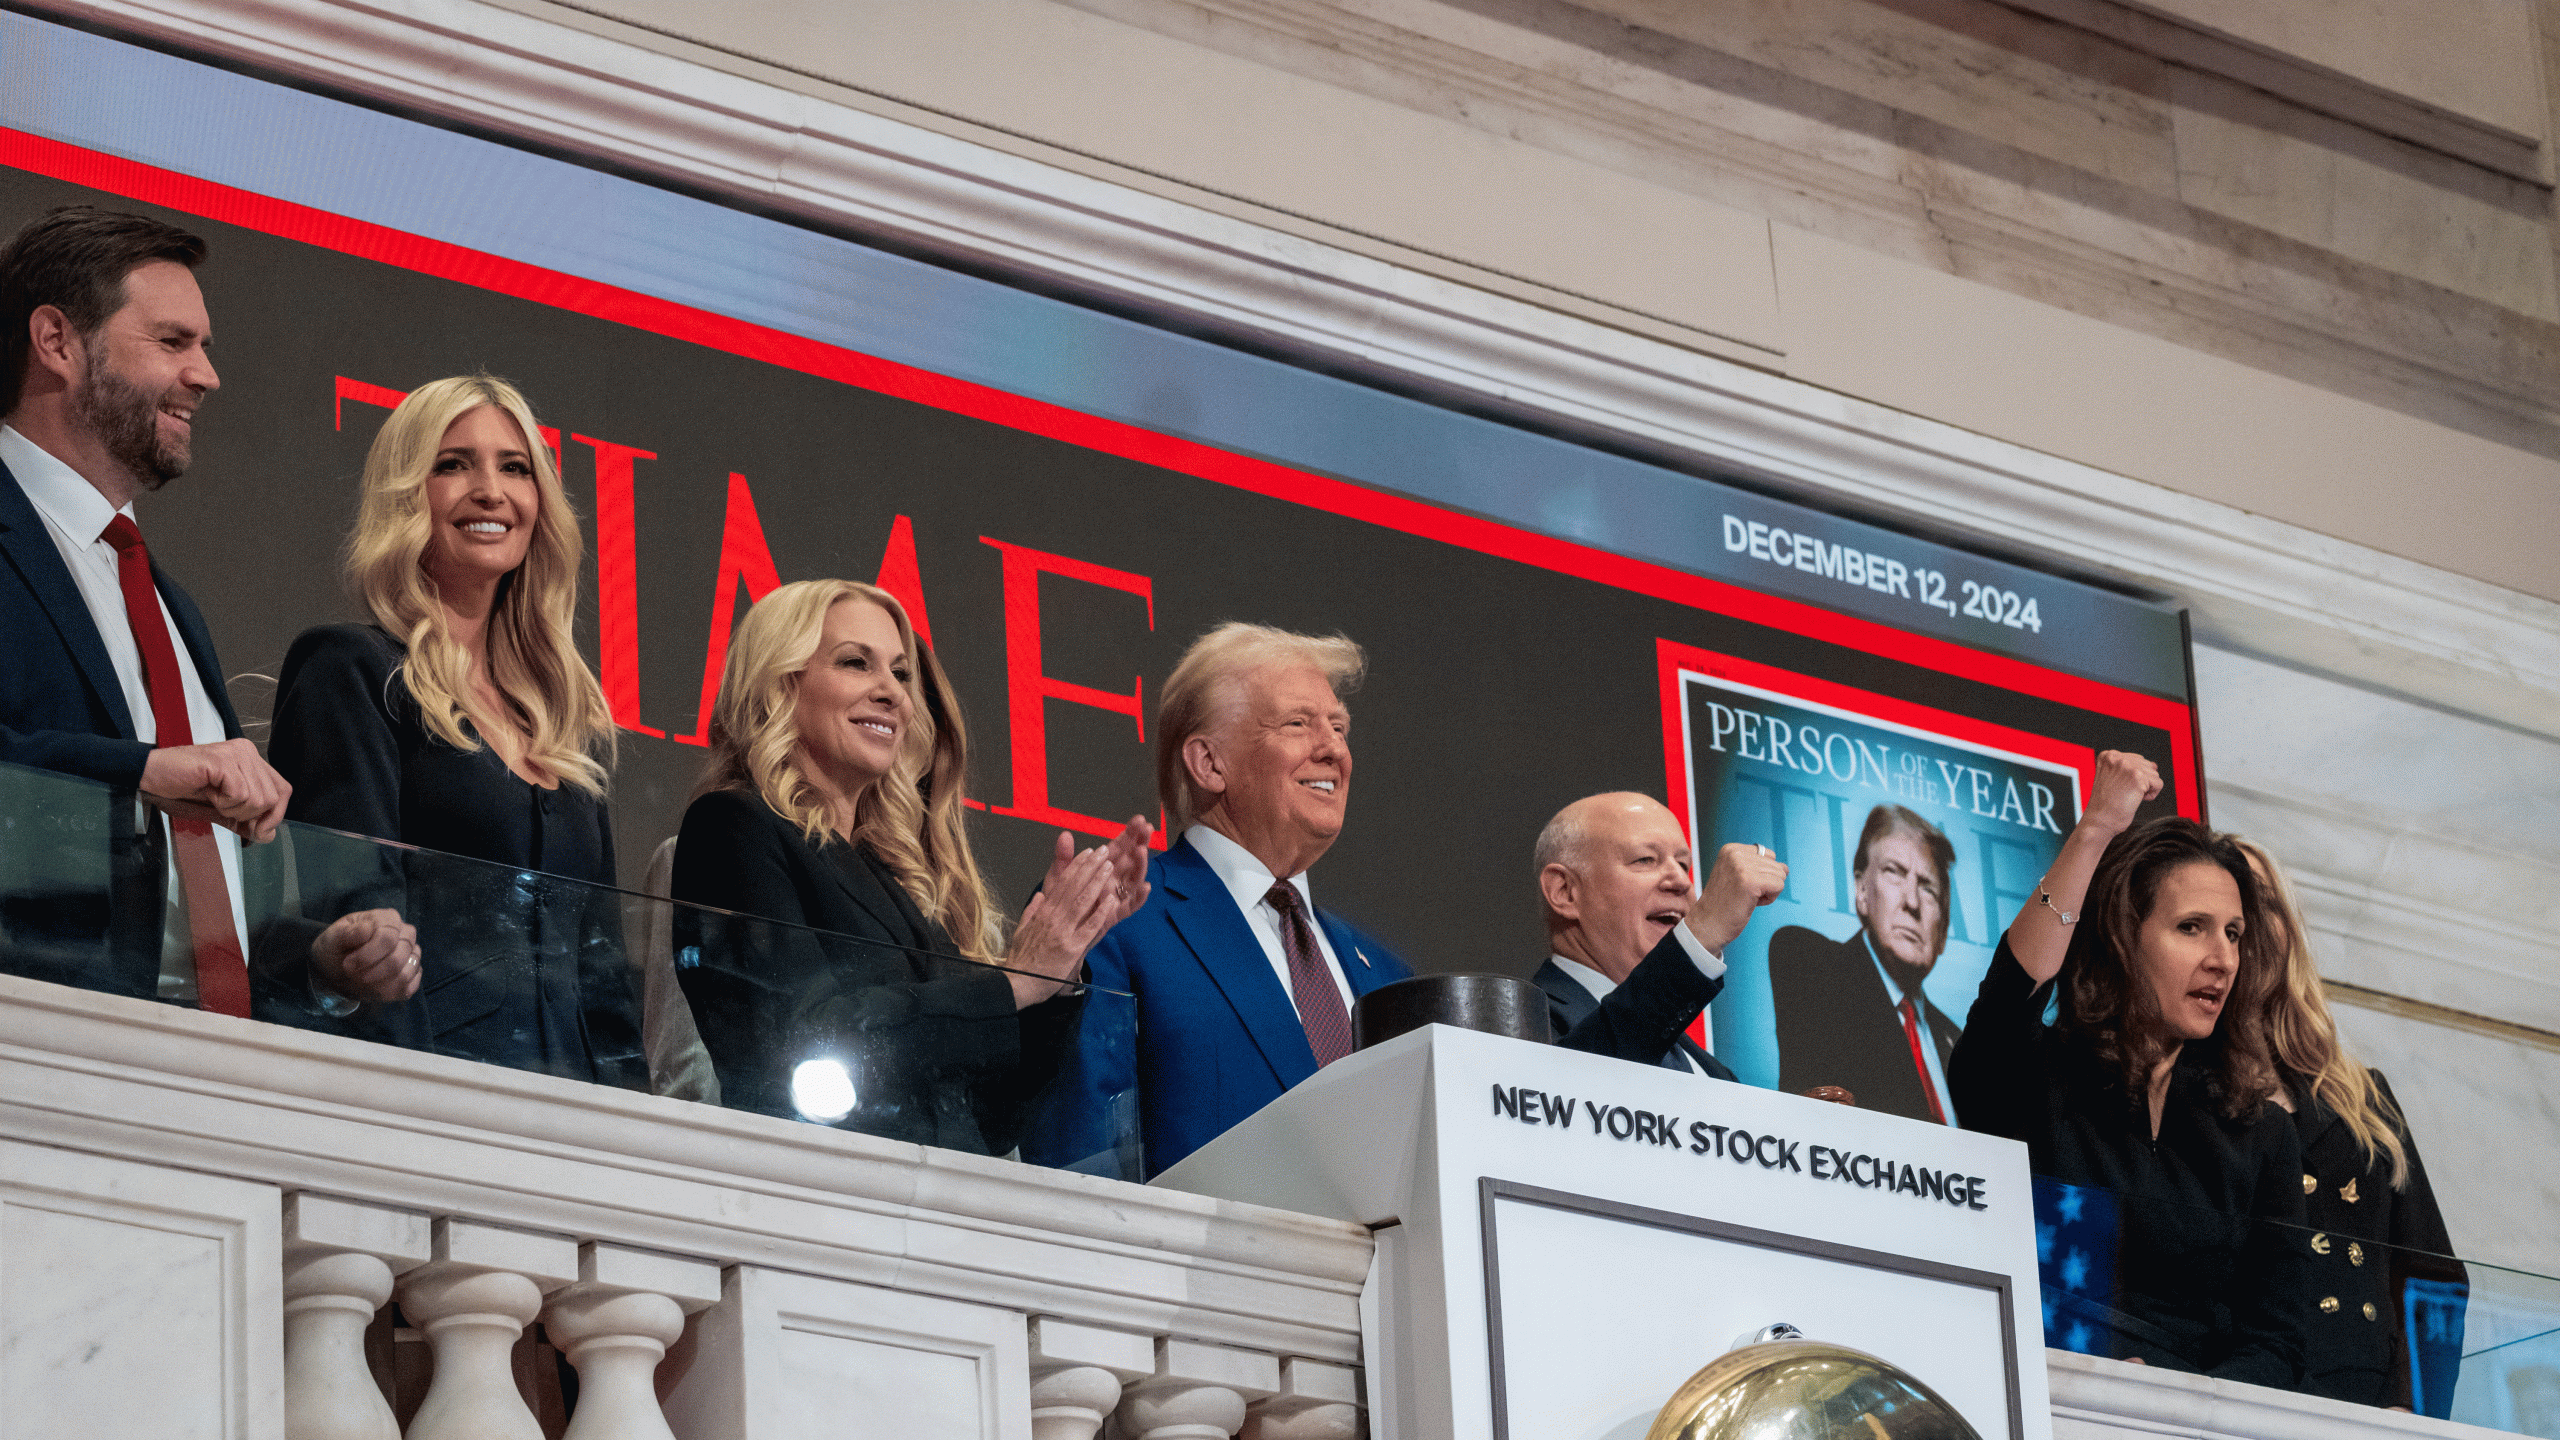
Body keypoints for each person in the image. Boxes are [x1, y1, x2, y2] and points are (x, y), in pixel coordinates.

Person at [0, 205, 408, 1013]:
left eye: (204, 346)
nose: (205, 375)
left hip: (204, 1077)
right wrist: (141, 770)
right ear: (57, 342)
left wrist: (312, 963)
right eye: (172, 341)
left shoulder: (167, 604)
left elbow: (189, 904)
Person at [669, 578, 1149, 1156]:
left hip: (939, 1212)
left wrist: (1056, 971)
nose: (893, 694)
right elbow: (801, 1044)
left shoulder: (897, 875)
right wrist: (1012, 981)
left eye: (900, 673)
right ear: (780, 684)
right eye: (855, 663)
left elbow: (990, 1120)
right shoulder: (732, 826)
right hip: (820, 1197)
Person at [270, 374, 640, 1085]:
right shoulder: (353, 670)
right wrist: (417, 1114)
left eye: (515, 467)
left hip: (577, 1126)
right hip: (429, 1101)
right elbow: (362, 922)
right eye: (452, 464)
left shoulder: (569, 724)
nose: (490, 490)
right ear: (408, 494)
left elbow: (604, 980)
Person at [1949, 750, 2308, 1386]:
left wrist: (2185, 1403)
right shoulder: (2040, 1075)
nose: (2221, 958)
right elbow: (2009, 1000)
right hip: (2044, 1397)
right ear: (2123, 936)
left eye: (2233, 933)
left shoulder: (2261, 1133)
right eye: (2192, 928)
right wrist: (2095, 833)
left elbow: (2278, 1334)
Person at [1022, 623, 1413, 1180]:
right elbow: (1080, 1160)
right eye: (1298, 724)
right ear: (1209, 764)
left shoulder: (1387, 977)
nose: (1333, 750)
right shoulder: (1116, 919)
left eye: (1339, 726)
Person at [2236, 838, 2465, 1415]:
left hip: (2369, 1409)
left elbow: (2434, 1282)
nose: (2252, 926)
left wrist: (2411, 1416)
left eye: (2264, 902)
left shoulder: (2363, 1095)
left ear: (2289, 925)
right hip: (2243, 1398)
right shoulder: (2180, 1092)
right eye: (2234, 909)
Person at [1530, 792, 1787, 1079]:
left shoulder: (1717, 1076)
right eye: (1645, 859)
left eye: (1683, 865)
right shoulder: (1516, 1026)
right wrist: (1700, 936)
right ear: (1564, 891)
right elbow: (1579, 1088)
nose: (1681, 881)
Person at [1768, 805, 1964, 1122]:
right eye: (1894, 872)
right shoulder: (1815, 968)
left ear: (1942, 929)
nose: (1912, 902)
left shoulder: (1957, 1044)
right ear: (1861, 891)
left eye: (1928, 888)